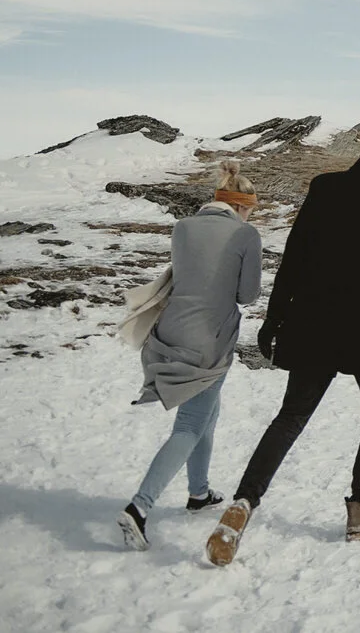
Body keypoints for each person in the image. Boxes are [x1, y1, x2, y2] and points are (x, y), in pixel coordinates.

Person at [206, 120, 360, 566]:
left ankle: (243, 503)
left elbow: (296, 253)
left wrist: (274, 318)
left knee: (291, 417)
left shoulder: (326, 187)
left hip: (314, 316)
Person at [118, 160, 262, 551]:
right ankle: (139, 507)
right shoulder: (245, 234)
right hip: (208, 341)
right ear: (243, 206)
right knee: (190, 424)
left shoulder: (183, 227)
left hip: (168, 331)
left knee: (206, 415)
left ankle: (199, 492)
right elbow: (246, 295)